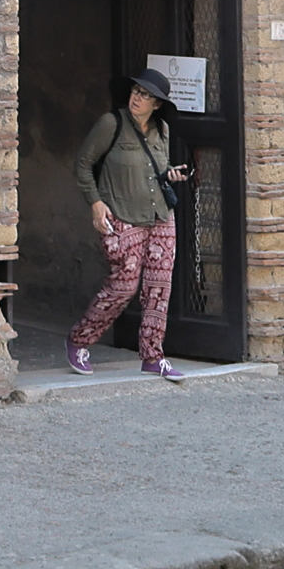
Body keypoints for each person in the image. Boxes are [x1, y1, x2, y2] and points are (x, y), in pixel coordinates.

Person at [68, 66, 193, 377]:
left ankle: (153, 357)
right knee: (124, 285)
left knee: (158, 287)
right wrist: (96, 204)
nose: (138, 98)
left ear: (157, 104)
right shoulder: (111, 123)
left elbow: (156, 171)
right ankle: (78, 340)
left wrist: (171, 175)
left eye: (146, 96)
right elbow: (83, 165)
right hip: (121, 214)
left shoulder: (162, 130)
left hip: (160, 216)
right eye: (137, 92)